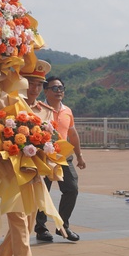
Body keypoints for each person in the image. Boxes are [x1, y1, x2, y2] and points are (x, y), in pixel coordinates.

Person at [0, 59, 53, 256]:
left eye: (39, 84)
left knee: (26, 227)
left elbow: (51, 146)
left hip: (34, 178)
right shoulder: (7, 104)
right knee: (21, 230)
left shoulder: (44, 111)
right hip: (12, 178)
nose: (34, 88)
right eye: (30, 82)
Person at [34, 75, 86, 242]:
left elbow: (72, 134)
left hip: (63, 157)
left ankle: (62, 226)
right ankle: (41, 228)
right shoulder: (38, 109)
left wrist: (79, 156)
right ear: (46, 91)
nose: (58, 91)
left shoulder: (67, 111)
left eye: (61, 88)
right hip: (44, 157)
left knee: (72, 189)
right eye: (54, 88)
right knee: (43, 193)